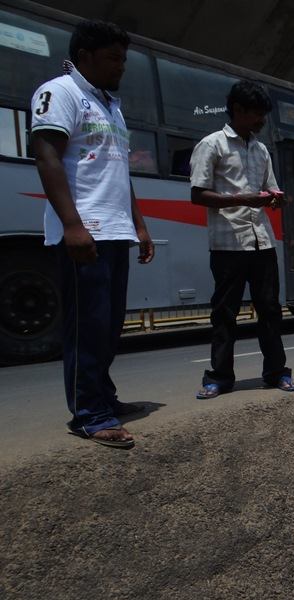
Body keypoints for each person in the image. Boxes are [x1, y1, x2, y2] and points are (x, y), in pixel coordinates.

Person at [31, 20, 154, 449]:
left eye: (123, 59)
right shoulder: (60, 92)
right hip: (86, 230)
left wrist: (138, 224)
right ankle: (89, 414)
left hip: (115, 230)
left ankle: (104, 398)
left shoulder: (110, 105)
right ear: (85, 57)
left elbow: (119, 169)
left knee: (109, 326)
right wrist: (71, 225)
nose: (121, 67)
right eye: (113, 58)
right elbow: (46, 155)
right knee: (88, 325)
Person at [190, 80, 294, 398]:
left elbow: (269, 189)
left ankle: (276, 372)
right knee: (225, 312)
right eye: (257, 115)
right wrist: (243, 199)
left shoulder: (262, 150)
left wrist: (275, 199)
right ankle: (219, 378)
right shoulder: (212, 145)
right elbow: (198, 195)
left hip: (262, 241)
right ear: (238, 110)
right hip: (227, 244)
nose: (261, 122)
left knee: (270, 310)